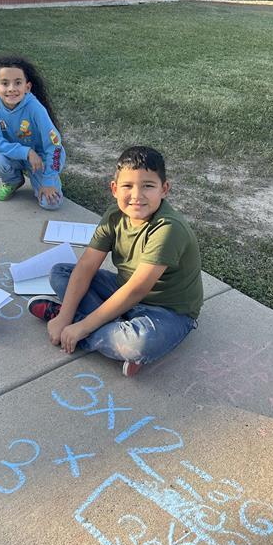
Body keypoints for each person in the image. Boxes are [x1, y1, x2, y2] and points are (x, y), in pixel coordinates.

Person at [28, 146, 202, 376]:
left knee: (138, 344)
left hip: (167, 311)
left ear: (164, 189)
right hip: (122, 289)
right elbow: (86, 266)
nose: (137, 195)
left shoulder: (168, 229)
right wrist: (65, 316)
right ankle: (96, 328)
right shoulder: (114, 216)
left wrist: (81, 327)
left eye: (148, 186)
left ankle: (90, 332)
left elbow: (135, 291)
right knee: (61, 272)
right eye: (128, 186)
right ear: (114, 188)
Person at [0, 55, 65, 209]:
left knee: (51, 204)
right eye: (5, 83)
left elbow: (55, 146)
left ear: (27, 87)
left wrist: (48, 180)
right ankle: (13, 180)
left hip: (40, 160)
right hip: (17, 155)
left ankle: (47, 179)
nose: (11, 88)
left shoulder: (35, 108)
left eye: (18, 83)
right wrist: (26, 152)